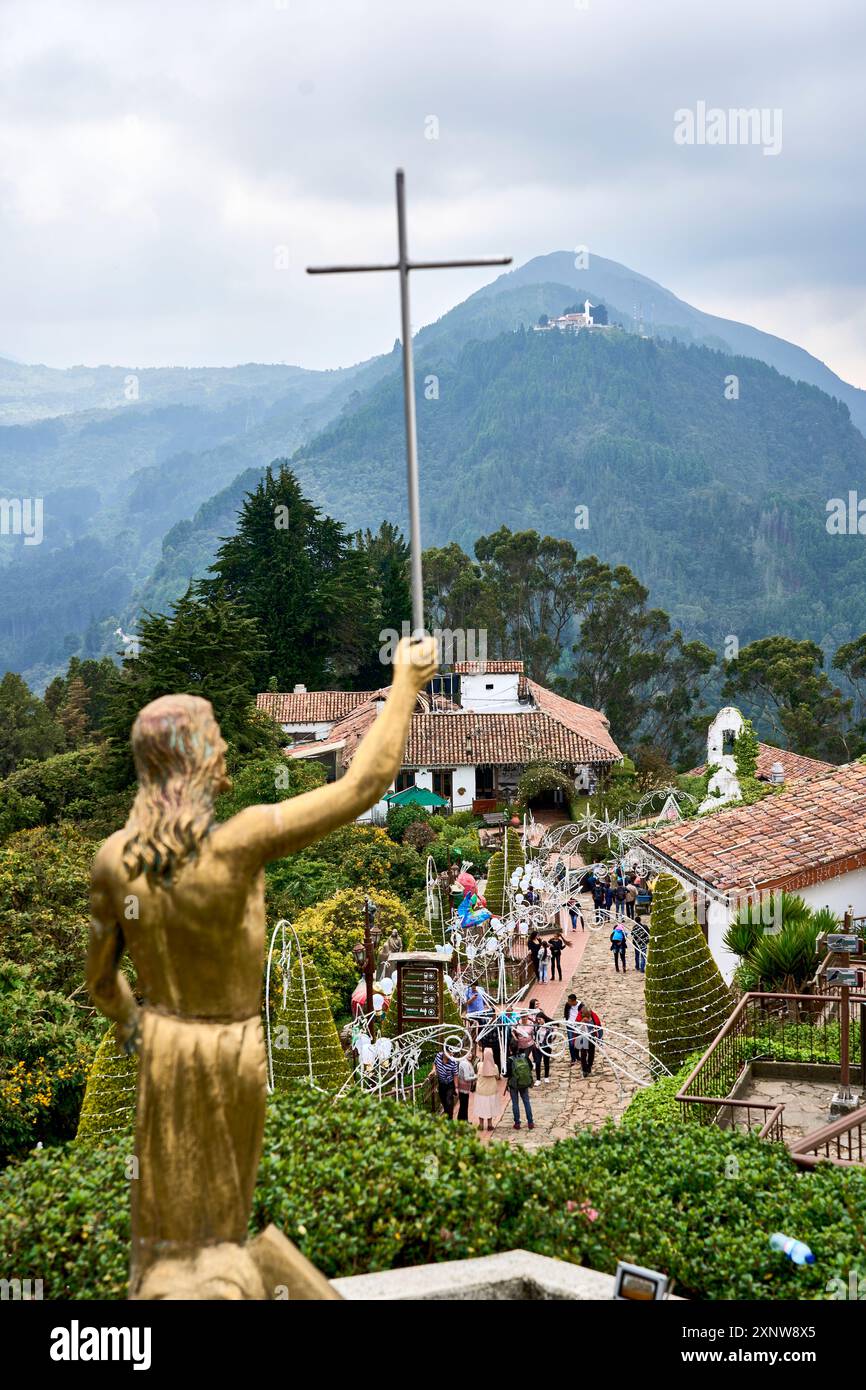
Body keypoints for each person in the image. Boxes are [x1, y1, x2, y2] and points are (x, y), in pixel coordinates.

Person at [504, 1041, 534, 1129]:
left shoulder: (509, 1060)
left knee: (515, 1103)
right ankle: (530, 1122)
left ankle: (517, 1123)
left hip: (514, 1084)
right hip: (524, 1083)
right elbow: (531, 1067)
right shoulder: (524, 1057)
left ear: (510, 1049)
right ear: (518, 1048)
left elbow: (507, 1074)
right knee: (526, 1102)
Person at [474, 1047, 500, 1131]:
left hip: (481, 1090)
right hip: (491, 1090)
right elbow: (498, 1077)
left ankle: (481, 1125)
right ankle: (490, 1124)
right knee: (490, 1107)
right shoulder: (495, 1067)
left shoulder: (479, 1065)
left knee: (481, 1107)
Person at [529, 998, 552, 1083]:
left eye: (540, 1019)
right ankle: (538, 1079)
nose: (538, 1021)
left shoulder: (549, 1027)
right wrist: (535, 1043)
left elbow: (552, 1036)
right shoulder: (536, 1027)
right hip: (538, 1047)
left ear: (544, 1019)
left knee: (546, 1062)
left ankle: (546, 1077)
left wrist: (550, 1041)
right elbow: (533, 1035)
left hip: (546, 1046)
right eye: (537, 1019)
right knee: (538, 1062)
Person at [576, 1002, 603, 1075]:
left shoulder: (594, 1017)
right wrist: (582, 1022)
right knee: (583, 1054)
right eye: (584, 1015)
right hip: (582, 1039)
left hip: (591, 1038)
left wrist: (600, 1039)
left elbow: (599, 1027)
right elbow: (576, 1028)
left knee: (591, 1054)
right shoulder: (579, 1017)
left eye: (588, 1015)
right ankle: (584, 1070)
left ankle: (589, 1066)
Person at [433, 1048, 459, 1118]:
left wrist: (456, 1087)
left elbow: (455, 1075)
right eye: (450, 1052)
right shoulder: (438, 1056)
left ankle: (450, 1119)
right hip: (441, 1084)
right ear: (445, 1052)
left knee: (449, 1102)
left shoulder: (453, 1061)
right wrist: (433, 1070)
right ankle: (447, 1114)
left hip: (450, 1085)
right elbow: (435, 1063)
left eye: (452, 1052)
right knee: (443, 1101)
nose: (452, 1054)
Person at [456, 1052, 476, 1121]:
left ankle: (463, 1120)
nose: (470, 1055)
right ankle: (463, 1121)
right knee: (463, 1105)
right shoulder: (465, 1063)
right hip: (463, 1088)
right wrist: (476, 1077)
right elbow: (466, 1078)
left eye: (471, 1053)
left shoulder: (466, 1062)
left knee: (464, 1105)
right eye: (468, 1053)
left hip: (465, 1087)